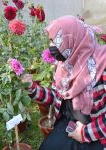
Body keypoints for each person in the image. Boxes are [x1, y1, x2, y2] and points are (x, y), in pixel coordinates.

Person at [21, 16, 106, 150]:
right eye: (50, 41)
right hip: (69, 123)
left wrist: (85, 133)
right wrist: (32, 87)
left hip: (96, 132)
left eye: (55, 41)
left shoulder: (102, 67)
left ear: (72, 39)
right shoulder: (64, 66)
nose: (51, 47)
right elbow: (56, 96)